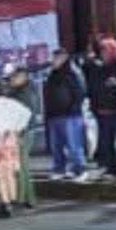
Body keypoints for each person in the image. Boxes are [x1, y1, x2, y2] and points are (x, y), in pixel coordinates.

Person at [0, 81, 32, 217]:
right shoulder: (13, 104)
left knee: (0, 176)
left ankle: (6, 204)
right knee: (10, 173)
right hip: (11, 140)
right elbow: (27, 114)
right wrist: (16, 129)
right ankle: (13, 200)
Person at [90, 37, 116, 180]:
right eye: (102, 51)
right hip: (104, 109)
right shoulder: (100, 68)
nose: (103, 53)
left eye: (106, 50)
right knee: (107, 141)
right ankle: (111, 168)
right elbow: (96, 88)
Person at [42, 49, 87, 180]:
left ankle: (80, 169)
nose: (53, 60)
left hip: (70, 115)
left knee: (74, 144)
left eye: (56, 58)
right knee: (57, 145)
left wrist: (72, 108)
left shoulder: (73, 72)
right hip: (55, 114)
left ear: (64, 57)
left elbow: (80, 92)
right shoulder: (53, 74)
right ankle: (59, 168)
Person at [7, 67, 39, 207]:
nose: (12, 80)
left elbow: (26, 116)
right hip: (22, 132)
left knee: (22, 166)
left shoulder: (25, 93)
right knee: (20, 165)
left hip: (23, 133)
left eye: (15, 77)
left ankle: (28, 199)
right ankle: (23, 197)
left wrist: (19, 133)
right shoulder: (20, 92)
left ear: (23, 77)